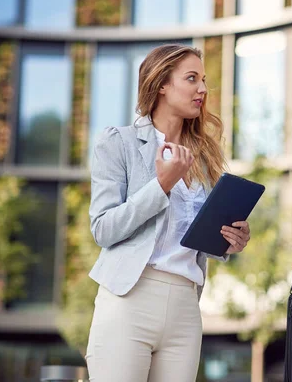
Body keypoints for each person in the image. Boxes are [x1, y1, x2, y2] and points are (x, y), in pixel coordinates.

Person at [85, 43, 251, 382]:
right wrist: (160, 185)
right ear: (161, 83)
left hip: (185, 306)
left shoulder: (204, 157)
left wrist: (231, 240)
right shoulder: (119, 143)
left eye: (203, 80)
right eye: (191, 79)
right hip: (131, 297)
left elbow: (195, 238)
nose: (202, 89)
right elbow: (103, 228)